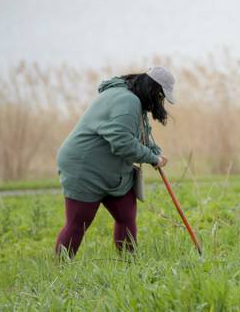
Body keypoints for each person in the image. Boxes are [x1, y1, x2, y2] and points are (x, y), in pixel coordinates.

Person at [54, 67, 175, 257]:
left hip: (112, 170)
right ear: (152, 89)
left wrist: (154, 151)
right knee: (79, 223)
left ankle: (129, 267)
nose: (160, 102)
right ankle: (60, 273)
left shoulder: (134, 100)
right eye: (160, 96)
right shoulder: (127, 101)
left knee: (126, 216)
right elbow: (123, 142)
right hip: (84, 167)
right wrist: (152, 158)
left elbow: (137, 134)